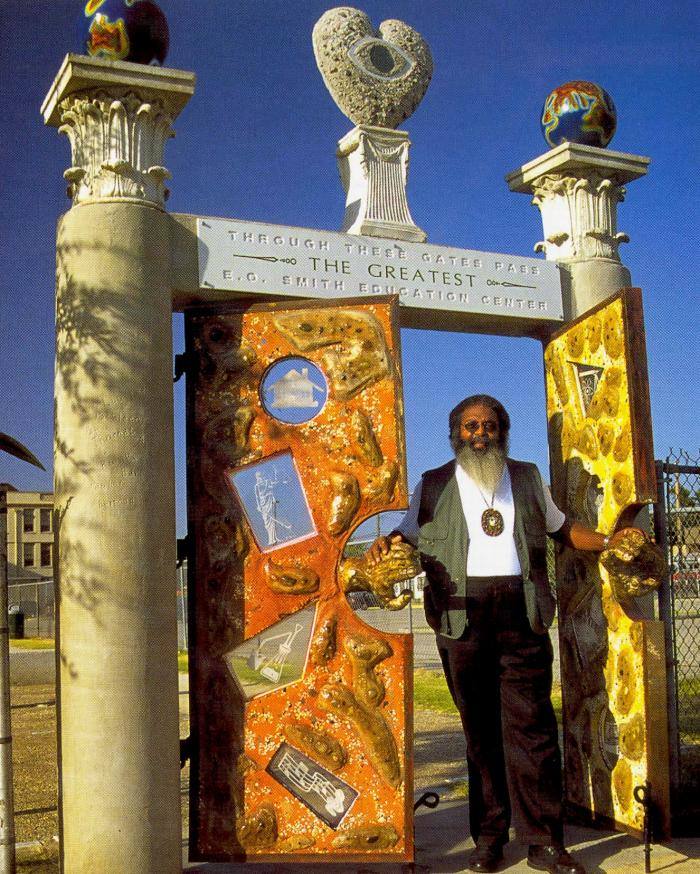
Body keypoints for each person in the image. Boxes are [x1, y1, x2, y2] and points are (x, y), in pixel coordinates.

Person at [369, 394, 636, 874]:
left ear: (503, 431)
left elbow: (562, 529)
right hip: (460, 618)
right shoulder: (432, 485)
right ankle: (489, 840)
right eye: (470, 426)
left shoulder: (528, 477)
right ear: (455, 434)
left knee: (532, 732)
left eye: (489, 425)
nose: (480, 433)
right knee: (480, 735)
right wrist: (381, 544)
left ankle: (544, 842)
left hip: (522, 614)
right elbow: (403, 535)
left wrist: (608, 542)